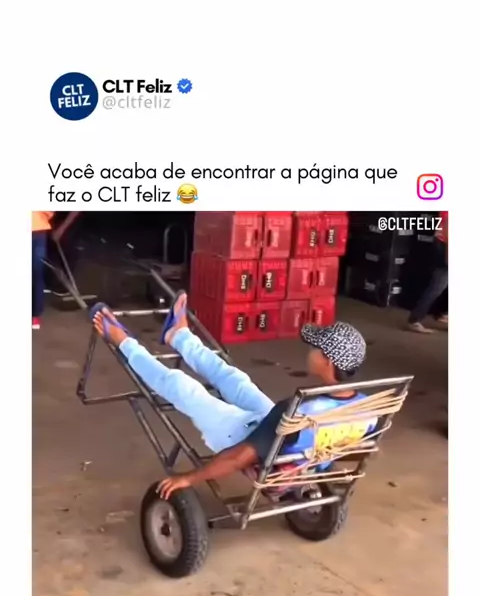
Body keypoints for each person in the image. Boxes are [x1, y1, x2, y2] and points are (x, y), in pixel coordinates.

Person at [90, 292, 374, 500]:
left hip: (250, 441)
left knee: (180, 385)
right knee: (234, 379)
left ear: (327, 361)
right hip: (287, 440)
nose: (309, 351)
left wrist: (189, 478)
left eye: (315, 348)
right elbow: (354, 449)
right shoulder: (367, 410)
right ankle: (178, 335)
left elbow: (240, 457)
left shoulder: (298, 410)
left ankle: (123, 342)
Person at [406, 211, 448, 334]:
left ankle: (443, 314)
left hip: (443, 243)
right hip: (444, 244)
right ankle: (414, 320)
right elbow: (448, 226)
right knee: (437, 286)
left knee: (440, 285)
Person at [32, 211, 55, 329]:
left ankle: (35, 314)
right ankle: (35, 315)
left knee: (37, 272)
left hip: (38, 229)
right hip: (38, 227)